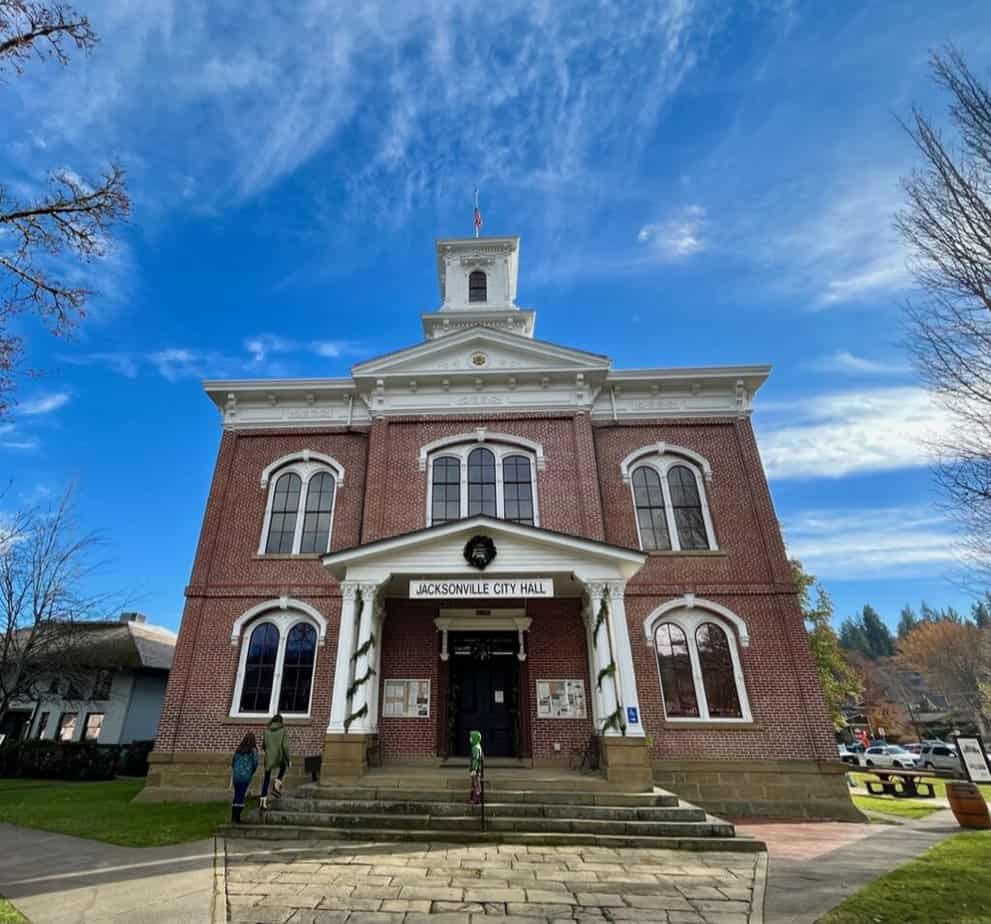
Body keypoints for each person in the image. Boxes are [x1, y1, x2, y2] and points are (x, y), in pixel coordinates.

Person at [260, 713, 291, 809]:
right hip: (279, 756)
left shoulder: (266, 731)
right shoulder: (283, 730)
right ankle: (277, 784)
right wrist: (288, 759)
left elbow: (264, 745)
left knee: (266, 778)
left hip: (269, 757)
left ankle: (263, 801)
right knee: (284, 766)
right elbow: (285, 746)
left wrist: (268, 750)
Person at [230, 732, 258, 824]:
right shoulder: (253, 750)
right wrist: (251, 772)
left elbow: (233, 762)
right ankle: (237, 817)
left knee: (237, 795)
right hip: (245, 776)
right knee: (241, 796)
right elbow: (255, 763)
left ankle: (233, 816)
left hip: (236, 776)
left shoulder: (239, 749)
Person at [468, 729, 484, 805]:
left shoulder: (475, 748)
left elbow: (475, 759)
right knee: (476, 784)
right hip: (478, 769)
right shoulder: (478, 746)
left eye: (471, 737)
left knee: (475, 784)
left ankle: (476, 799)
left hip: (476, 770)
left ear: (475, 738)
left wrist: (474, 769)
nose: (470, 739)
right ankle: (475, 798)